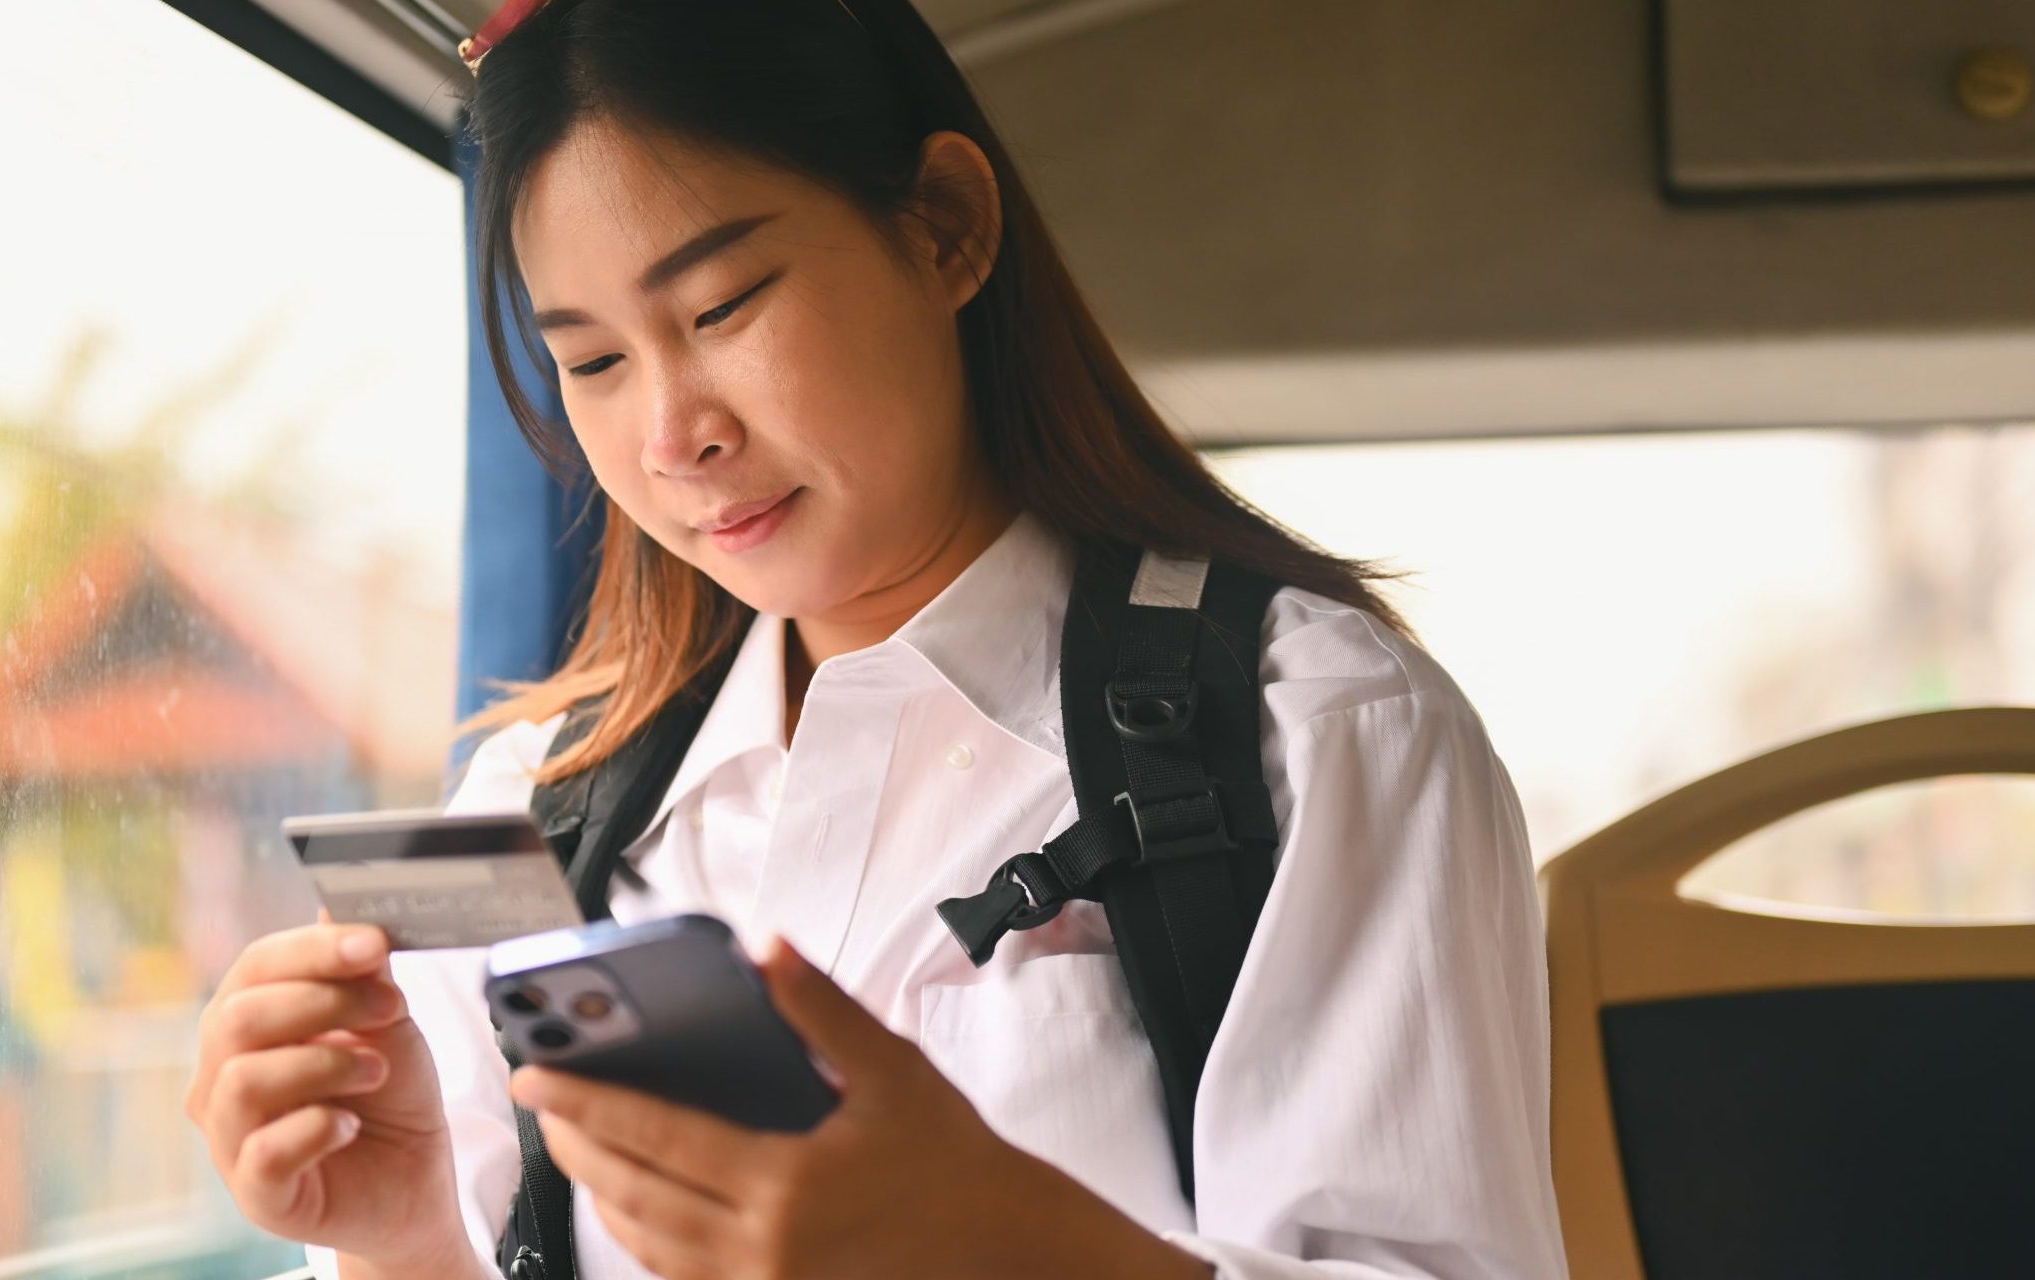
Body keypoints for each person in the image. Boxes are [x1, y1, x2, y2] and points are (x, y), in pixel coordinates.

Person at [186, 1, 1568, 1276]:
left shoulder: (1316, 734)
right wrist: (403, 1233)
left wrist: (1007, 1244)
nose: (674, 436)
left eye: (724, 308)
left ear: (948, 229)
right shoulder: (537, 805)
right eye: (595, 361)